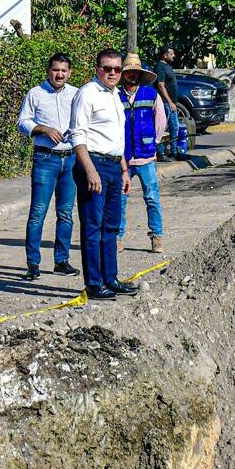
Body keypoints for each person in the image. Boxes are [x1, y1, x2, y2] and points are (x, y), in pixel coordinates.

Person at [69, 49, 139, 301]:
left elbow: (115, 139)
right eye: (107, 68)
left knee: (111, 226)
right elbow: (77, 136)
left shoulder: (115, 96)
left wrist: (123, 170)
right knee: (92, 227)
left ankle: (111, 277)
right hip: (93, 163)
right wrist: (90, 170)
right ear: (97, 68)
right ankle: (94, 283)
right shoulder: (87, 94)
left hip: (113, 164)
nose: (112, 73)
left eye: (117, 69)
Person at [17, 53, 80, 280]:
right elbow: (22, 123)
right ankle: (32, 264)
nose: (59, 74)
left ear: (69, 72)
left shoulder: (76, 94)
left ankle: (61, 261)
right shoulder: (35, 94)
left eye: (64, 70)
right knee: (38, 213)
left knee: (65, 213)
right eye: (56, 70)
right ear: (48, 70)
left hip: (70, 159)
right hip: (45, 159)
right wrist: (43, 129)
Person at [117, 53, 167, 254]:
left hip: (146, 157)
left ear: (140, 74)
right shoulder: (114, 95)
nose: (132, 75)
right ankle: (117, 238)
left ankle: (156, 236)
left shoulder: (151, 94)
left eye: (136, 72)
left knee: (152, 198)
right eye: (129, 72)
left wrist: (154, 142)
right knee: (120, 200)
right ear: (124, 74)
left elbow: (161, 120)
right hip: (123, 160)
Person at [152, 46, 182, 161]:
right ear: (165, 55)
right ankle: (160, 153)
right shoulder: (159, 67)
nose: (173, 56)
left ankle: (174, 152)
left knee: (175, 127)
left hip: (172, 103)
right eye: (171, 54)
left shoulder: (168, 66)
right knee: (161, 128)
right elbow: (161, 85)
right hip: (165, 103)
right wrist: (169, 102)